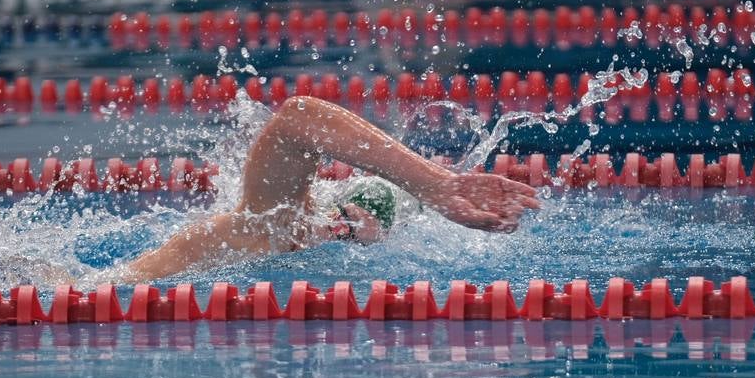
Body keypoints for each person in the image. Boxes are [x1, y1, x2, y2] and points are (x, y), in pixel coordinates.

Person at [116, 96, 541, 281]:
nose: (345, 228)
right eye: (347, 223)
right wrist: (438, 185)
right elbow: (299, 116)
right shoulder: (270, 227)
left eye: (356, 230)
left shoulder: (333, 235)